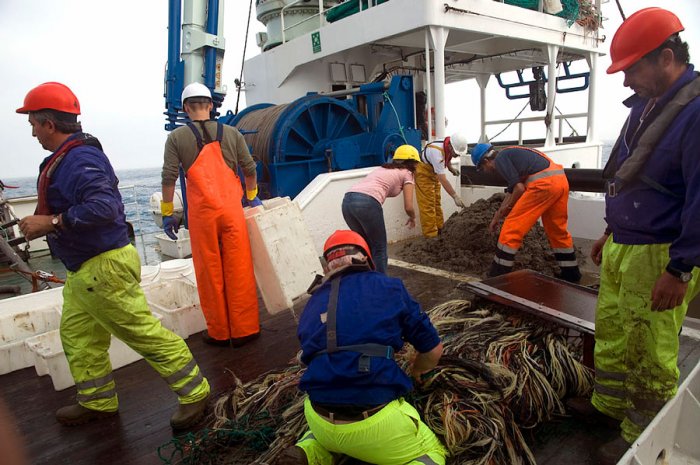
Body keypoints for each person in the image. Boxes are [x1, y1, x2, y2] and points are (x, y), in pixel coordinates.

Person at [17, 82, 210, 429]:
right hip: (84, 271)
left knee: (142, 333)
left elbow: (104, 207)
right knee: (78, 336)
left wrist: (52, 221)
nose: (33, 133)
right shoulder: (74, 157)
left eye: (33, 124)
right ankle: (98, 400)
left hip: (102, 268)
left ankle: (195, 393)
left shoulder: (79, 159)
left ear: (49, 123)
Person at [574, 8, 700, 464]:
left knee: (649, 348)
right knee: (612, 331)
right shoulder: (647, 107)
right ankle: (607, 407)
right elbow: (631, 177)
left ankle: (640, 433)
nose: (626, 81)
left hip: (661, 254)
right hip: (626, 244)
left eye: (631, 69)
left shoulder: (696, 113)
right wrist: (611, 230)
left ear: (666, 57)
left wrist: (679, 269)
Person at [280, 230, 447, 465]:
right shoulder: (390, 287)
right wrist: (419, 369)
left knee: (328, 436)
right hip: (376, 422)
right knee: (433, 453)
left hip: (317, 414)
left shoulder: (312, 301)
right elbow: (433, 350)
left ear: (327, 268)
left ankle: (310, 450)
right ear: (367, 260)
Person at [161, 82, 261, 346]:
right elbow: (249, 169)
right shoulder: (232, 133)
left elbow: (169, 178)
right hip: (231, 212)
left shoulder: (176, 138)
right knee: (238, 268)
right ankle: (245, 330)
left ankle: (219, 332)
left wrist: (167, 213)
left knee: (209, 272)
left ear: (185, 108)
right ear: (212, 106)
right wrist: (251, 197)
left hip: (203, 216)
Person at [471, 143, 582, 283]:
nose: (485, 171)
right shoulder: (510, 153)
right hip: (561, 183)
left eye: (482, 168)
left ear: (486, 161)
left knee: (510, 229)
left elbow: (519, 189)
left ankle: (496, 278)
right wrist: (497, 217)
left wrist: (508, 209)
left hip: (544, 185)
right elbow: (511, 191)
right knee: (557, 231)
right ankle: (572, 275)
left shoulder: (500, 160)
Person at [341, 144, 418, 274]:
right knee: (379, 248)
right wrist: (413, 217)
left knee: (365, 245)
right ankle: (381, 284)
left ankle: (367, 279)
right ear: (413, 163)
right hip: (368, 203)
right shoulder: (407, 173)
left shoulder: (383, 168)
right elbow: (409, 206)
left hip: (347, 202)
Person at [415, 133, 468, 237]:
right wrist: (455, 196)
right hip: (423, 172)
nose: (456, 155)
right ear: (450, 146)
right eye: (456, 153)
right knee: (428, 205)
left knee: (436, 202)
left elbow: (447, 156)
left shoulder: (448, 143)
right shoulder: (437, 152)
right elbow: (443, 180)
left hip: (433, 171)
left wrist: (451, 169)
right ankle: (430, 236)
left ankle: (440, 229)